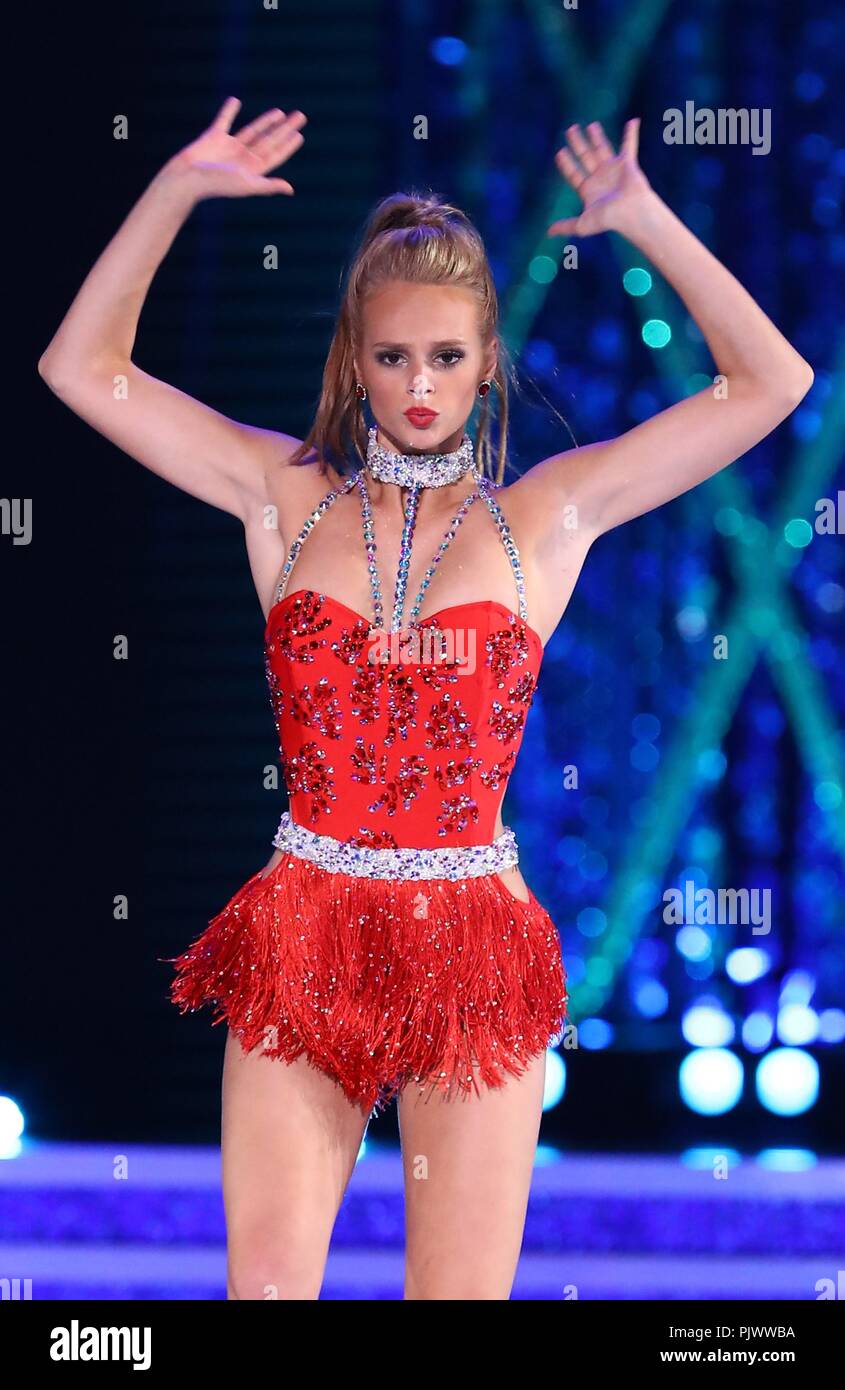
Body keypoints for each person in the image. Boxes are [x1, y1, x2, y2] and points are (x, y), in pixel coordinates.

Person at [37, 97, 813, 1300]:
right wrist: (176, 189)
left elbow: (770, 380)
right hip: (302, 928)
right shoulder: (277, 496)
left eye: (447, 358)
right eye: (392, 356)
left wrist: (645, 216)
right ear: (353, 356)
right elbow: (78, 368)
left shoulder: (542, 516)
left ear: (486, 362)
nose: (417, 385)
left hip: (474, 946)